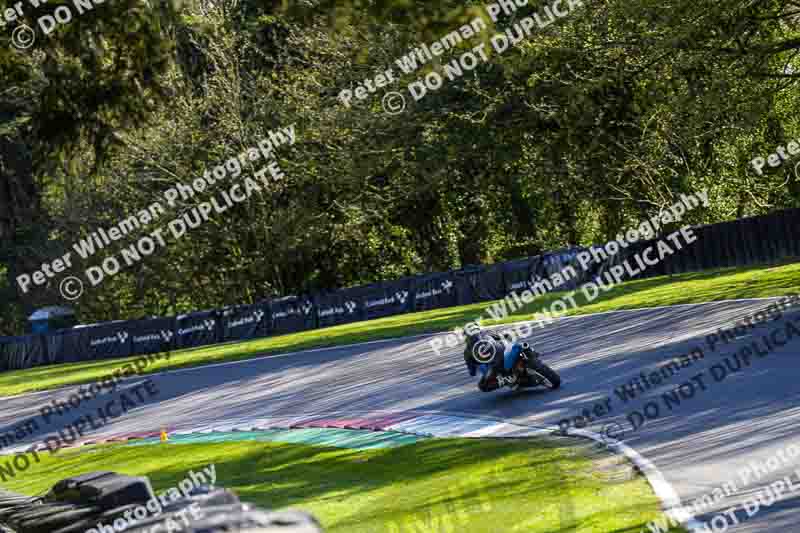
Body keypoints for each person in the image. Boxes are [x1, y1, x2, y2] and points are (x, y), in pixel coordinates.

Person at [463, 326, 525, 391]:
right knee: (518, 346)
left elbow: (472, 372)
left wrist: (473, 369)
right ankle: (509, 378)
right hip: (505, 353)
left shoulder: (467, 351)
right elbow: (504, 336)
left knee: (482, 386)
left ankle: (507, 380)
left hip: (496, 366)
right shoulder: (488, 332)